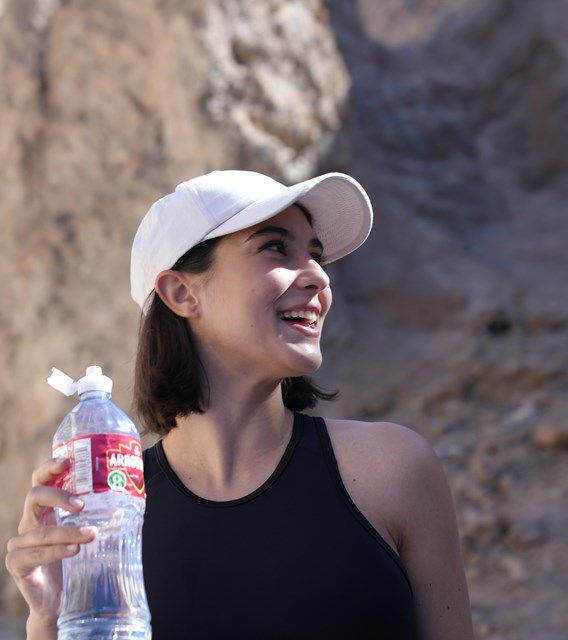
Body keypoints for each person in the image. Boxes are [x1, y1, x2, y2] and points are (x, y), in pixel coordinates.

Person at [6, 169, 474, 639]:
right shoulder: (110, 522)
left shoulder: (394, 470)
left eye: (314, 254)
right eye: (275, 246)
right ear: (182, 293)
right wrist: (50, 619)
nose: (318, 276)